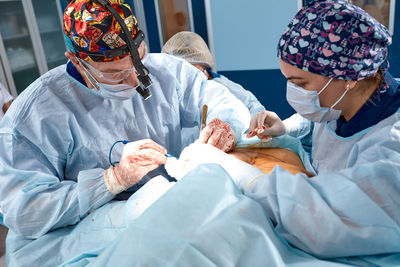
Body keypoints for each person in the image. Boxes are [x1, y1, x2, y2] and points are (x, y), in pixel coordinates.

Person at [0, 0, 251, 239]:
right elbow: (25, 210)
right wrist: (111, 180)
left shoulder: (169, 71)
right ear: (77, 61)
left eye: (139, 63)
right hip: (97, 233)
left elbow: (222, 99)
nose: (134, 82)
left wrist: (224, 123)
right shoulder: (33, 116)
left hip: (178, 211)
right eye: (116, 74)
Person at [176, 0, 400, 259]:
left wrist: (242, 175)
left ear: (350, 78)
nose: (292, 93)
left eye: (300, 83)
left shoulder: (390, 151)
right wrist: (287, 127)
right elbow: (325, 123)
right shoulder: (350, 100)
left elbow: (323, 221)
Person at [162, 31, 265, 117]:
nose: (183, 75)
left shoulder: (220, 85)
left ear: (202, 65)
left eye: (189, 69)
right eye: (177, 69)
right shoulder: (166, 91)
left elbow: (254, 108)